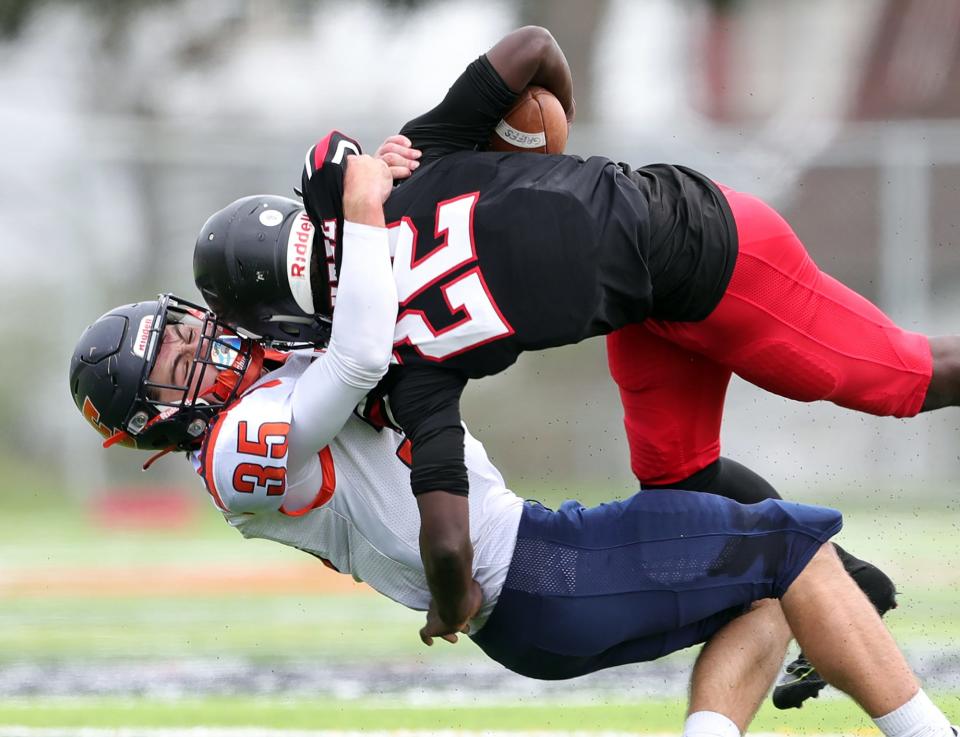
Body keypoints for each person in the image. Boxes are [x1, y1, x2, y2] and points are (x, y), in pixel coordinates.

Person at [190, 23, 930, 704]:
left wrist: (449, 608)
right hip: (649, 302)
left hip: (706, 256)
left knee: (903, 382)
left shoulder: (399, 356)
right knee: (680, 478)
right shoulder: (408, 175)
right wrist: (562, 167)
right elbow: (534, 47)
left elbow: (442, 525)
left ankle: (837, 591)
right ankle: (852, 586)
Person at [69, 296, 959, 737]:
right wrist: (366, 206)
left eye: (186, 331)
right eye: (171, 362)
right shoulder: (231, 451)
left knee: (763, 597)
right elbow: (355, 361)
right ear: (149, 419)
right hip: (534, 568)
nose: (200, 347)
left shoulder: (254, 393)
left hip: (529, 589)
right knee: (791, 545)